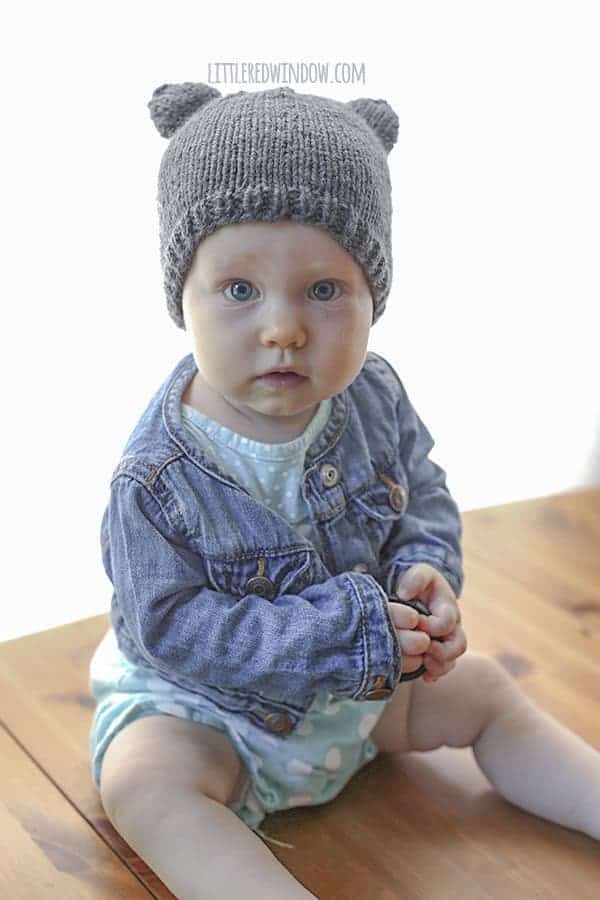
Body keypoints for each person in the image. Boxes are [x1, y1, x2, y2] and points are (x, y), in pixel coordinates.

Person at [88, 82, 600, 900]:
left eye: (324, 291)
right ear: (182, 297)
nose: (283, 326)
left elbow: (420, 493)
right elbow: (170, 629)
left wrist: (423, 572)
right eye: (240, 290)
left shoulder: (375, 397)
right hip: (212, 712)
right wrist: (335, 636)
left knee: (491, 695)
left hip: (359, 697)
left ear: (372, 298)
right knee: (146, 783)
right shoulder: (156, 474)